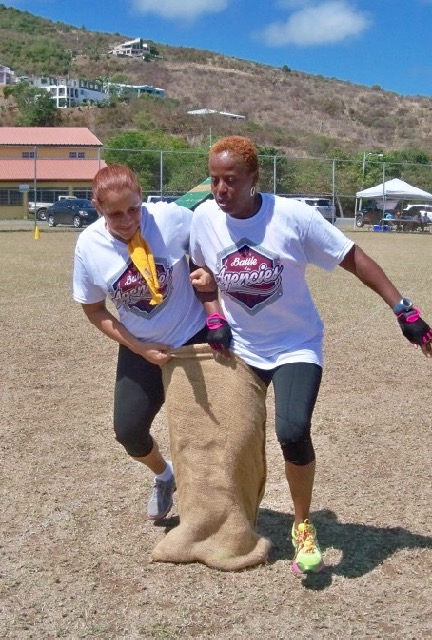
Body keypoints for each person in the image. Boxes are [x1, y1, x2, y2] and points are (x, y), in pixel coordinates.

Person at [189, 135, 432, 575]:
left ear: (254, 178)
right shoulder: (204, 218)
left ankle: (301, 524)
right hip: (240, 350)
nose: (220, 190)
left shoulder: (292, 217)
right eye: (214, 180)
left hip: (295, 345)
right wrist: (212, 312)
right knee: (235, 441)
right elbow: (199, 272)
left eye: (231, 180)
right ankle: (235, 521)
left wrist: (403, 309)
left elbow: (353, 257)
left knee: (292, 430)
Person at [72, 164, 224, 523]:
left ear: (142, 199)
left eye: (133, 209)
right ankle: (163, 475)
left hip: (194, 339)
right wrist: (139, 348)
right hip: (142, 346)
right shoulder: (89, 247)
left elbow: (215, 243)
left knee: (206, 429)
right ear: (97, 208)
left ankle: (216, 504)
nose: (127, 220)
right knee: (128, 430)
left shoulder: (169, 219)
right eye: (115, 214)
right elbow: (94, 310)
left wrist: (210, 273)